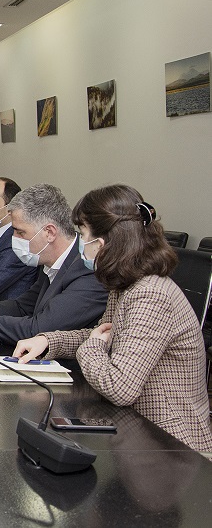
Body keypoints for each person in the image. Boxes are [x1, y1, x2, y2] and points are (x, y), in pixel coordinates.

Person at [14, 185, 212, 451]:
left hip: (172, 445)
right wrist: (49, 341)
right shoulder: (126, 284)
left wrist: (92, 348)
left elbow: (119, 386)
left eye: (82, 233)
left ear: (101, 243)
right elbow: (103, 335)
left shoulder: (150, 294)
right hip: (137, 429)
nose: (79, 242)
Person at [0, 183, 108, 345]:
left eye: (20, 232)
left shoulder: (88, 270)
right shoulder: (50, 260)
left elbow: (39, 329)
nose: (14, 239)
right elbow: (22, 306)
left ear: (49, 233)